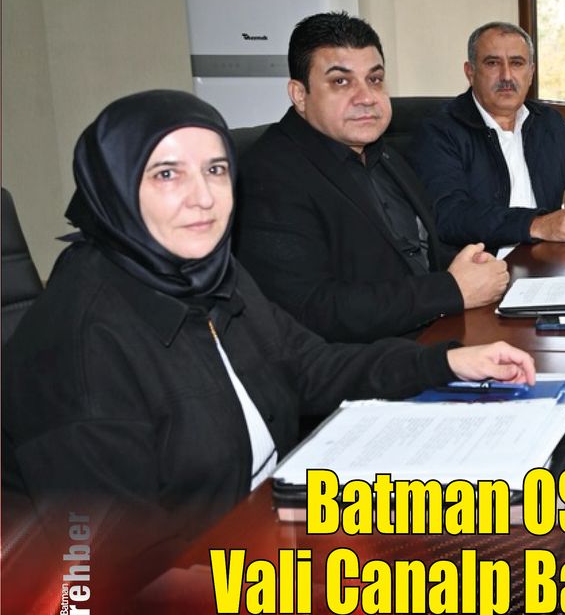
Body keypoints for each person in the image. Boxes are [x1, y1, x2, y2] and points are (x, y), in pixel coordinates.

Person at [0, 90, 535, 605]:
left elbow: (309, 365)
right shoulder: (78, 347)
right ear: (114, 186)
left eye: (215, 169)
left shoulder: (207, 272)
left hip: (276, 527)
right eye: (167, 174)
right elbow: (116, 575)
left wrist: (444, 361)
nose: (203, 197)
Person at [235, 12, 509, 343]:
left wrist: (475, 267)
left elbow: (420, 254)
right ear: (299, 95)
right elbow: (310, 311)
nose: (366, 97)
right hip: (368, 362)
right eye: (341, 81)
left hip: (438, 332)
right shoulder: (269, 175)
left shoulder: (381, 152)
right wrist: (449, 289)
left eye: (375, 79)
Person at [412, 21, 565, 248]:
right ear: (470, 72)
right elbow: (450, 215)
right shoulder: (440, 130)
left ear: (530, 73)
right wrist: (536, 224)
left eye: (517, 63)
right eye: (493, 63)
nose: (506, 76)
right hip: (481, 261)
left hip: (548, 254)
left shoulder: (547, 122)